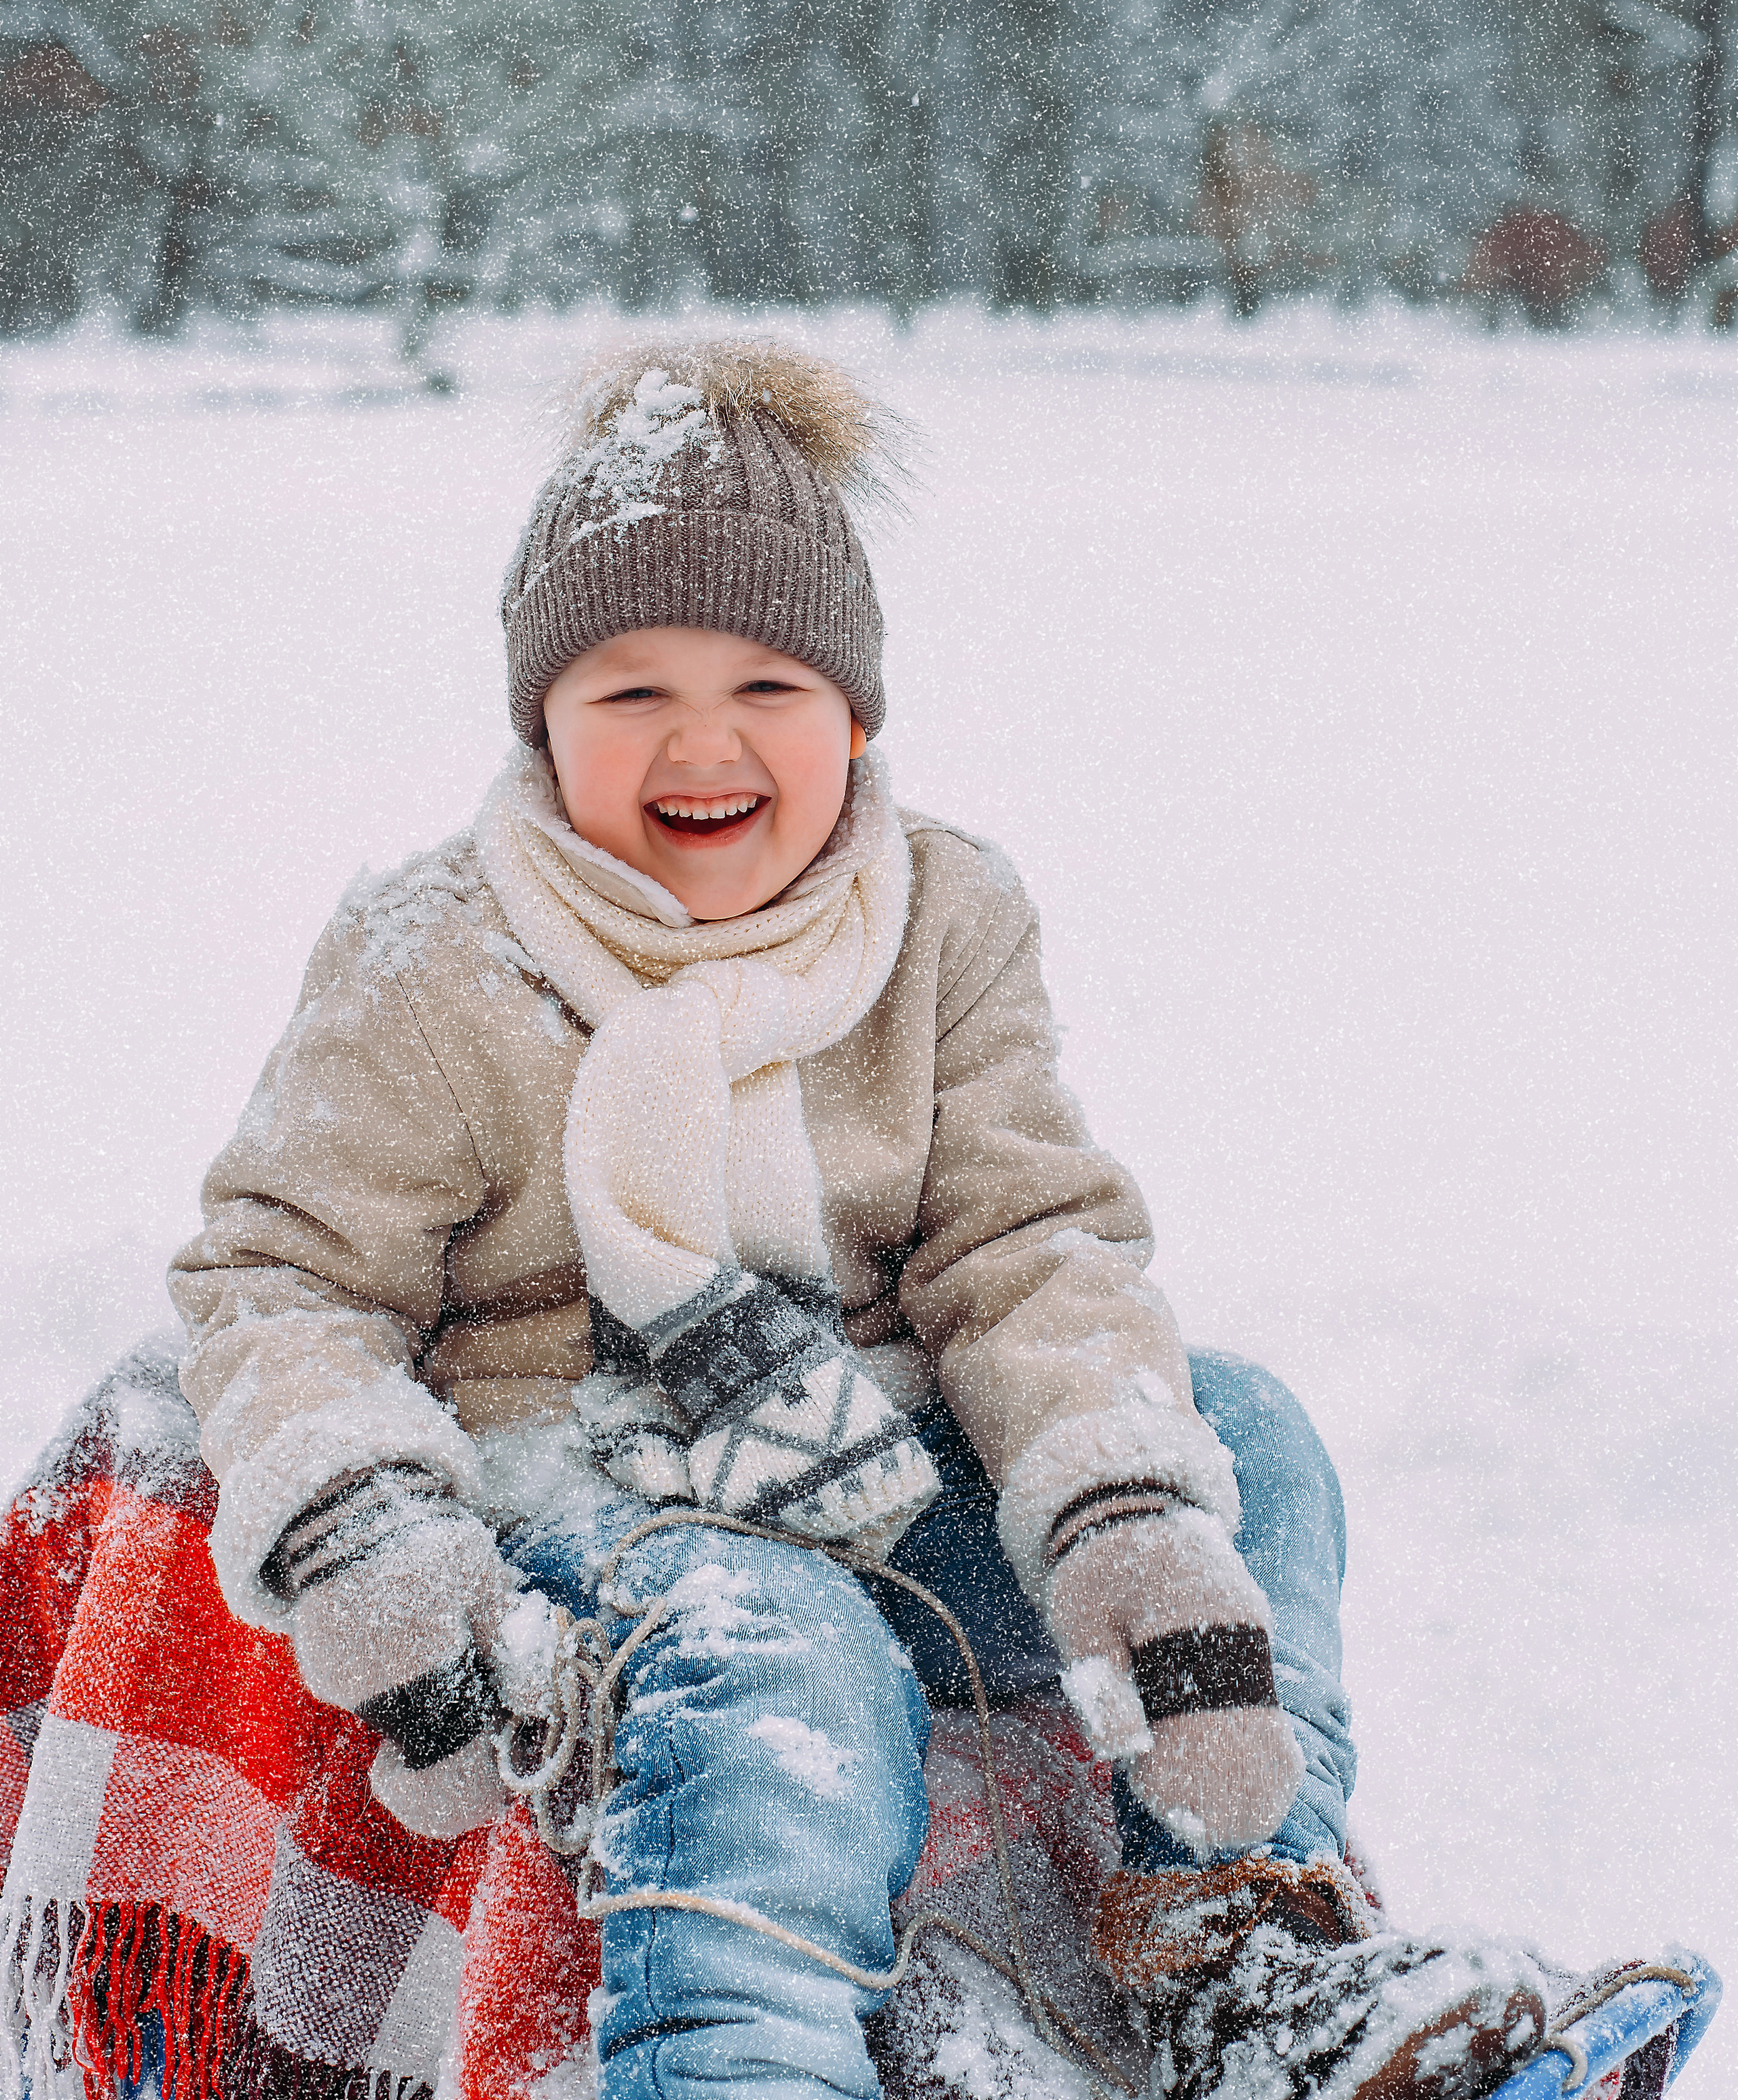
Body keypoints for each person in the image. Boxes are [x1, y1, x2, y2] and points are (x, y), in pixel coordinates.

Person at [170, 339, 1546, 2100]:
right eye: (627, 688)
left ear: (857, 717)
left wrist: (1126, 1512)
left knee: (1254, 1436)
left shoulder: (939, 918)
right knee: (778, 1637)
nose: (702, 742)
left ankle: (1250, 1952)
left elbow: (1024, 1243)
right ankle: (734, 2061)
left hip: (878, 1470)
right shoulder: (441, 954)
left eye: (768, 683)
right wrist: (368, 1518)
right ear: (541, 721)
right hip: (587, 1488)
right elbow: (285, 1275)